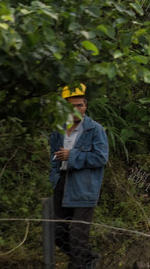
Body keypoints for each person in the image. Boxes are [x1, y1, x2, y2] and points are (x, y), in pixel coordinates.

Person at [49, 85, 108, 268]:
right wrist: (55, 179)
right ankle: (89, 258)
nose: (77, 110)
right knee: (55, 231)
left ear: (86, 105)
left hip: (85, 184)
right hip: (63, 182)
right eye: (72, 106)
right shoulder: (58, 129)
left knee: (78, 234)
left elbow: (101, 157)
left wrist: (72, 156)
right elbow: (53, 157)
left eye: (80, 105)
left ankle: (78, 265)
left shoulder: (95, 130)